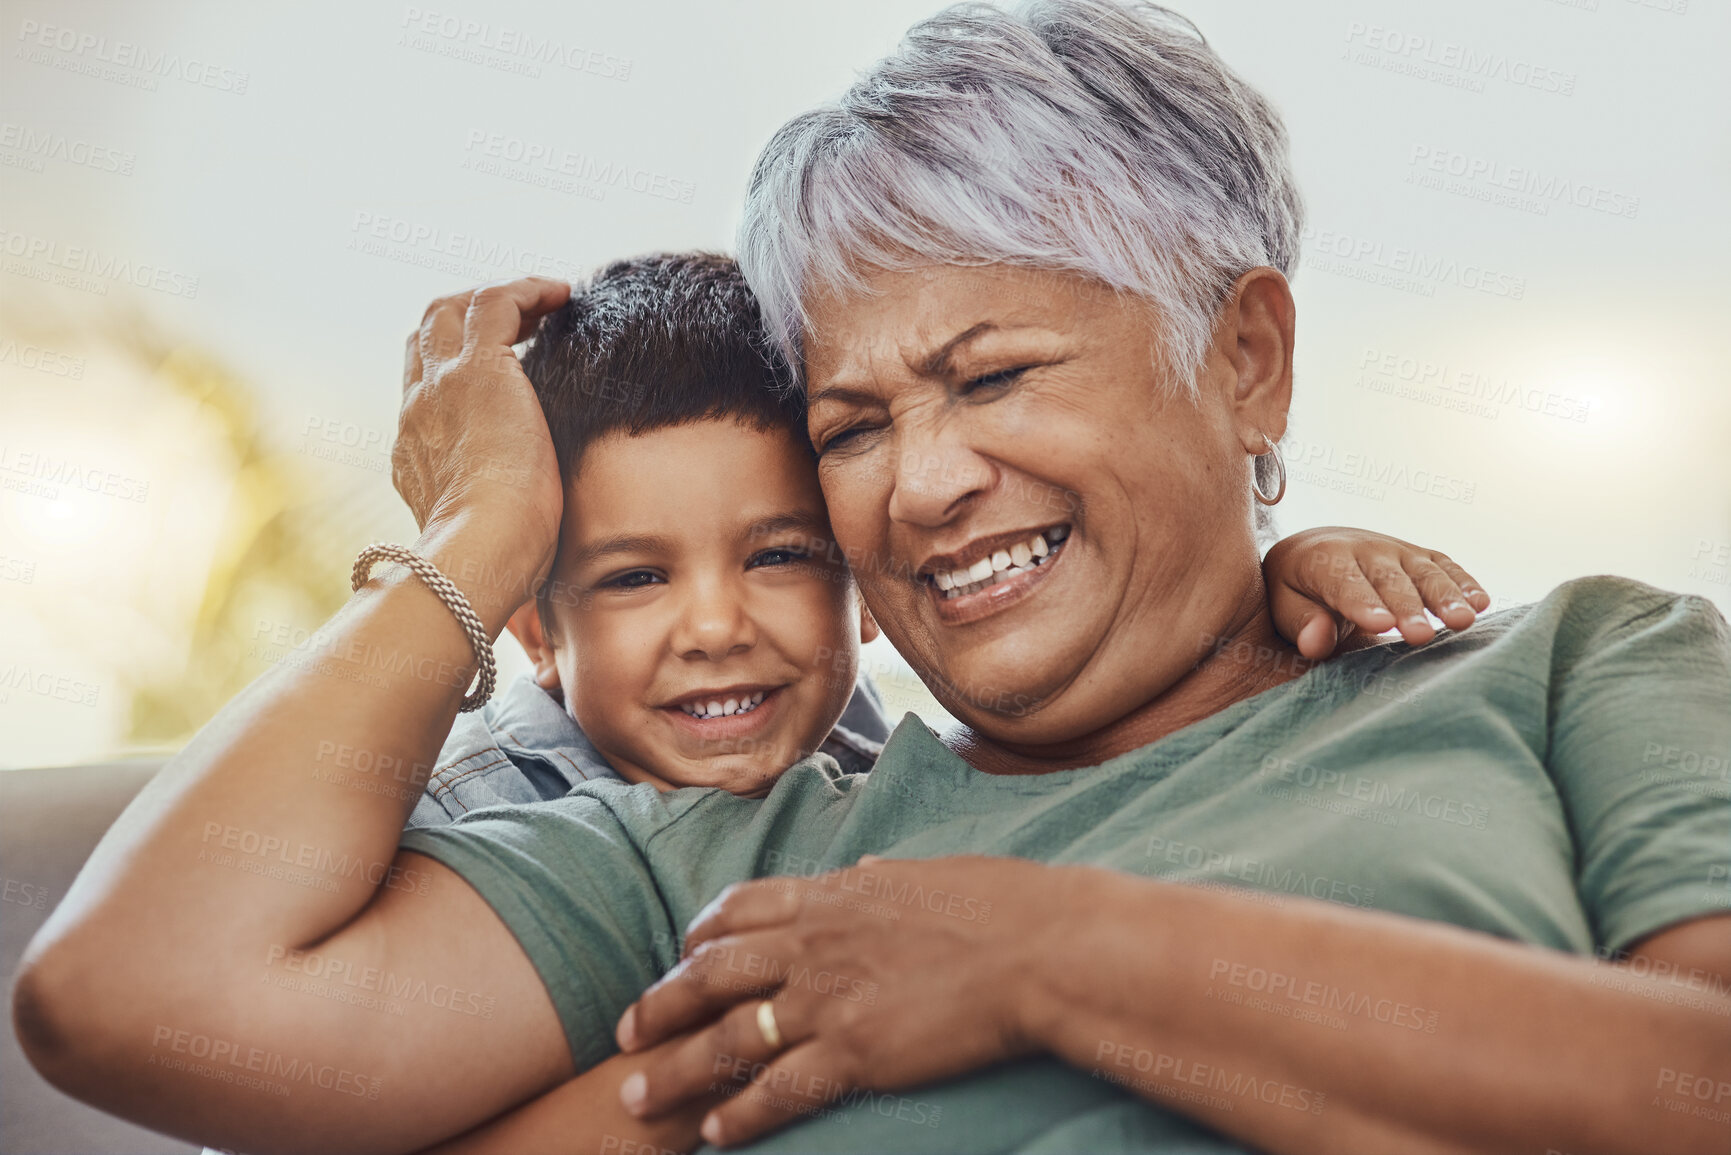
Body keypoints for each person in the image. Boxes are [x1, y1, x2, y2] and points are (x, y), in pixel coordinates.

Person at [19, 2, 1729, 1153]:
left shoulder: (1573, 669)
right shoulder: (730, 830)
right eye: (851, 424)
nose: (919, 486)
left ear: (1251, 359)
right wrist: (477, 535)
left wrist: (1049, 955)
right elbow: (126, 1001)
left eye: (992, 378)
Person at [14, 245, 1481, 1155]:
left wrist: (1285, 569)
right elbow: (108, 1005)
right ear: (534, 617)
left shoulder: (858, 787)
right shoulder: (510, 822)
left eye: (782, 555)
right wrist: (476, 526)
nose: (718, 629)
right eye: (633, 579)